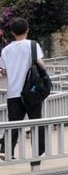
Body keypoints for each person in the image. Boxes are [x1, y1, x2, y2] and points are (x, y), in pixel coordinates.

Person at [0, 17, 46, 158]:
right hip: (31, 90)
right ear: (27, 30)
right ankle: (38, 153)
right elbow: (41, 64)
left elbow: (4, 71)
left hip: (14, 92)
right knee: (36, 122)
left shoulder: (6, 50)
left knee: (13, 123)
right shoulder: (33, 45)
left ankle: (6, 150)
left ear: (13, 32)